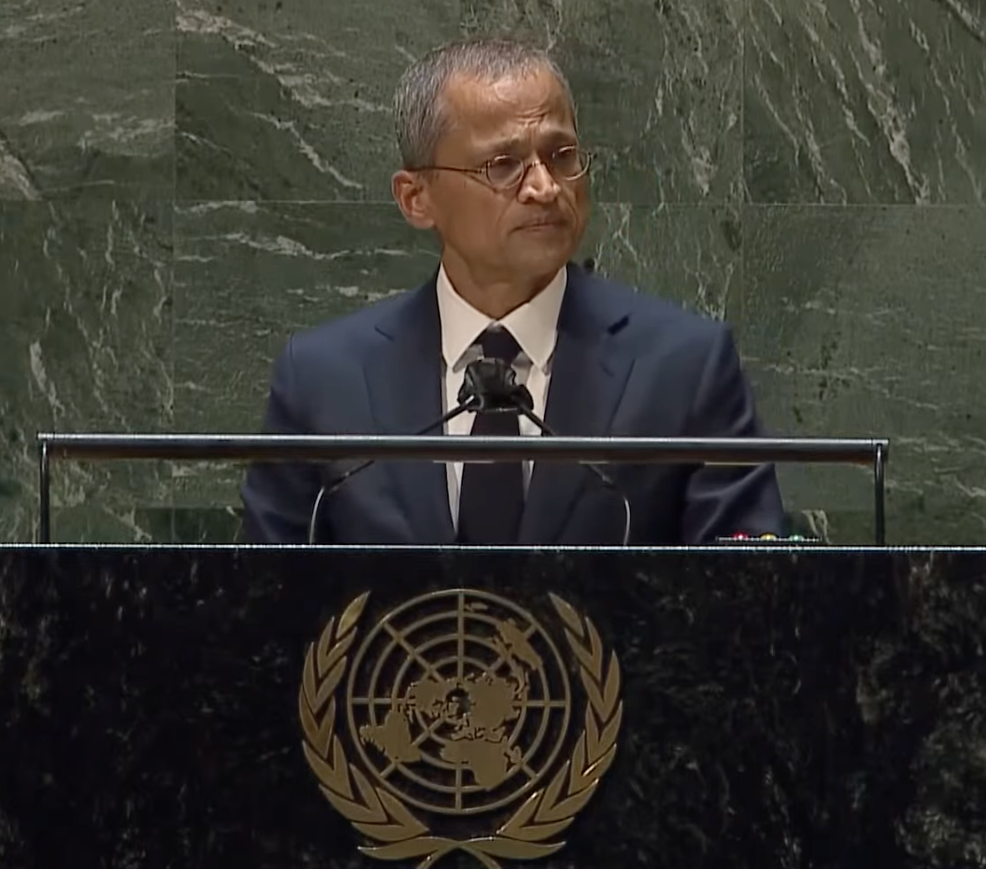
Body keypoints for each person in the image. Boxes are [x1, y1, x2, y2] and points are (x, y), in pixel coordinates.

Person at [240, 38, 784, 545]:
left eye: (563, 155)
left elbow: (745, 603)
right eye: (503, 165)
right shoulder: (322, 380)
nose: (545, 188)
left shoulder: (685, 367)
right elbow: (255, 607)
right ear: (416, 198)